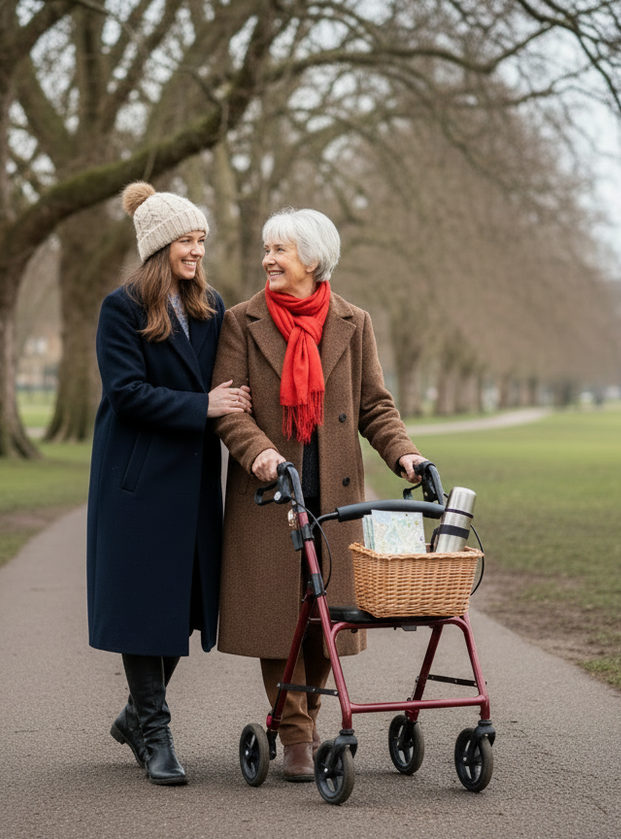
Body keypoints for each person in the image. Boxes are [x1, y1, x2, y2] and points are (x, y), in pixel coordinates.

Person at [211, 207, 426, 782]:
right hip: (271, 494)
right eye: (266, 250)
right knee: (279, 615)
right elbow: (230, 409)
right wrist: (259, 454)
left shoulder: (355, 322)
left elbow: (374, 406)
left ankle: (309, 714)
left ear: (312, 258)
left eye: (279, 250)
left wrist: (404, 452)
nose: (267, 261)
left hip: (333, 495)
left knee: (326, 618)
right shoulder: (241, 322)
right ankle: (298, 733)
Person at [86, 181, 251, 786]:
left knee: (182, 604)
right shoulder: (121, 308)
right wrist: (200, 407)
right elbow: (125, 395)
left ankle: (136, 714)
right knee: (142, 607)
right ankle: (155, 731)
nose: (197, 251)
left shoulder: (212, 308)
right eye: (187, 239)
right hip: (136, 481)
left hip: (194, 481)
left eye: (202, 240)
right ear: (159, 245)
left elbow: (229, 382)